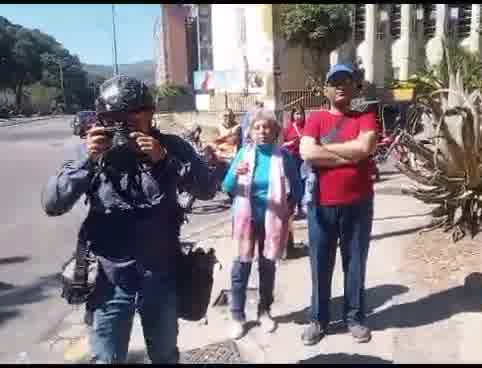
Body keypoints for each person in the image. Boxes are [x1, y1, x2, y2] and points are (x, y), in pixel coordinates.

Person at [41, 76, 220, 364]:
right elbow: (53, 203)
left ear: (151, 113)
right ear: (102, 119)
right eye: (116, 118)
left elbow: (208, 189)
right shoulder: (91, 151)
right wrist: (87, 161)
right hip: (110, 281)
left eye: (136, 115)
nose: (126, 125)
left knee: (164, 355)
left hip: (161, 276)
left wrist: (165, 161)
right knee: (107, 358)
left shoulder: (172, 147)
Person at [299, 64, 378, 346]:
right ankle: (318, 320)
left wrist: (326, 152)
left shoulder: (365, 116)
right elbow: (307, 151)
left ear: (355, 86)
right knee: (320, 264)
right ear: (326, 89)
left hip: (358, 204)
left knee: (355, 262)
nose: (341, 85)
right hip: (321, 205)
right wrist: (350, 155)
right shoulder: (316, 119)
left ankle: (355, 317)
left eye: (347, 80)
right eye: (335, 81)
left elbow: (365, 147)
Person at [221, 109, 302, 340]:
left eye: (267, 127)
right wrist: (235, 174)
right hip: (248, 220)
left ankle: (264, 311)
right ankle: (237, 315)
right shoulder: (244, 154)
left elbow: (297, 187)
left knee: (267, 268)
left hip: (273, 222)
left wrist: (290, 208)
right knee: (241, 267)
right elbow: (226, 187)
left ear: (275, 131)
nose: (262, 131)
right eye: (257, 127)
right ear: (250, 132)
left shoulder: (283, 157)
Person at [283, 104, 307, 218]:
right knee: (294, 183)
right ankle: (292, 207)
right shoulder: (288, 128)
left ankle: (301, 207)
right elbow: (281, 144)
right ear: (293, 115)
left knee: (303, 182)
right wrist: (291, 143)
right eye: (296, 113)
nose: (299, 116)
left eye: (301, 113)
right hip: (292, 158)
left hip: (304, 158)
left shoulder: (307, 126)